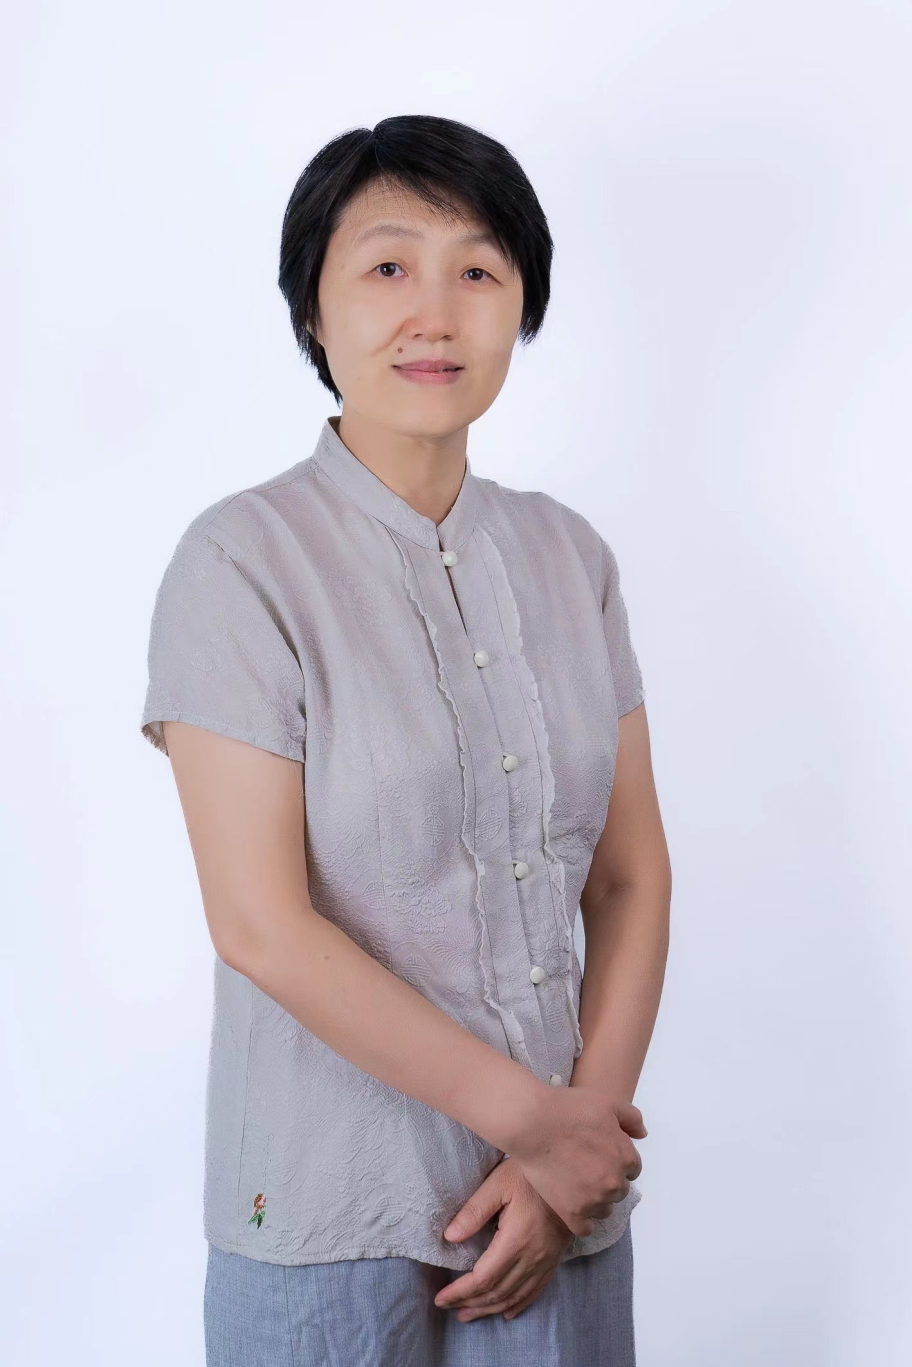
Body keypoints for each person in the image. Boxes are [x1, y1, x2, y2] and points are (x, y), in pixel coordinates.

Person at [139, 113, 671, 1367]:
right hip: (331, 1210)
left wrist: (576, 1141)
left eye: (478, 269)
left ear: (521, 306)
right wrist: (540, 1125)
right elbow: (261, 923)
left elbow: (629, 875)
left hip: (559, 1208)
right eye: (388, 266)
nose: (436, 312)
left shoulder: (571, 557)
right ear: (312, 311)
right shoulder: (239, 563)